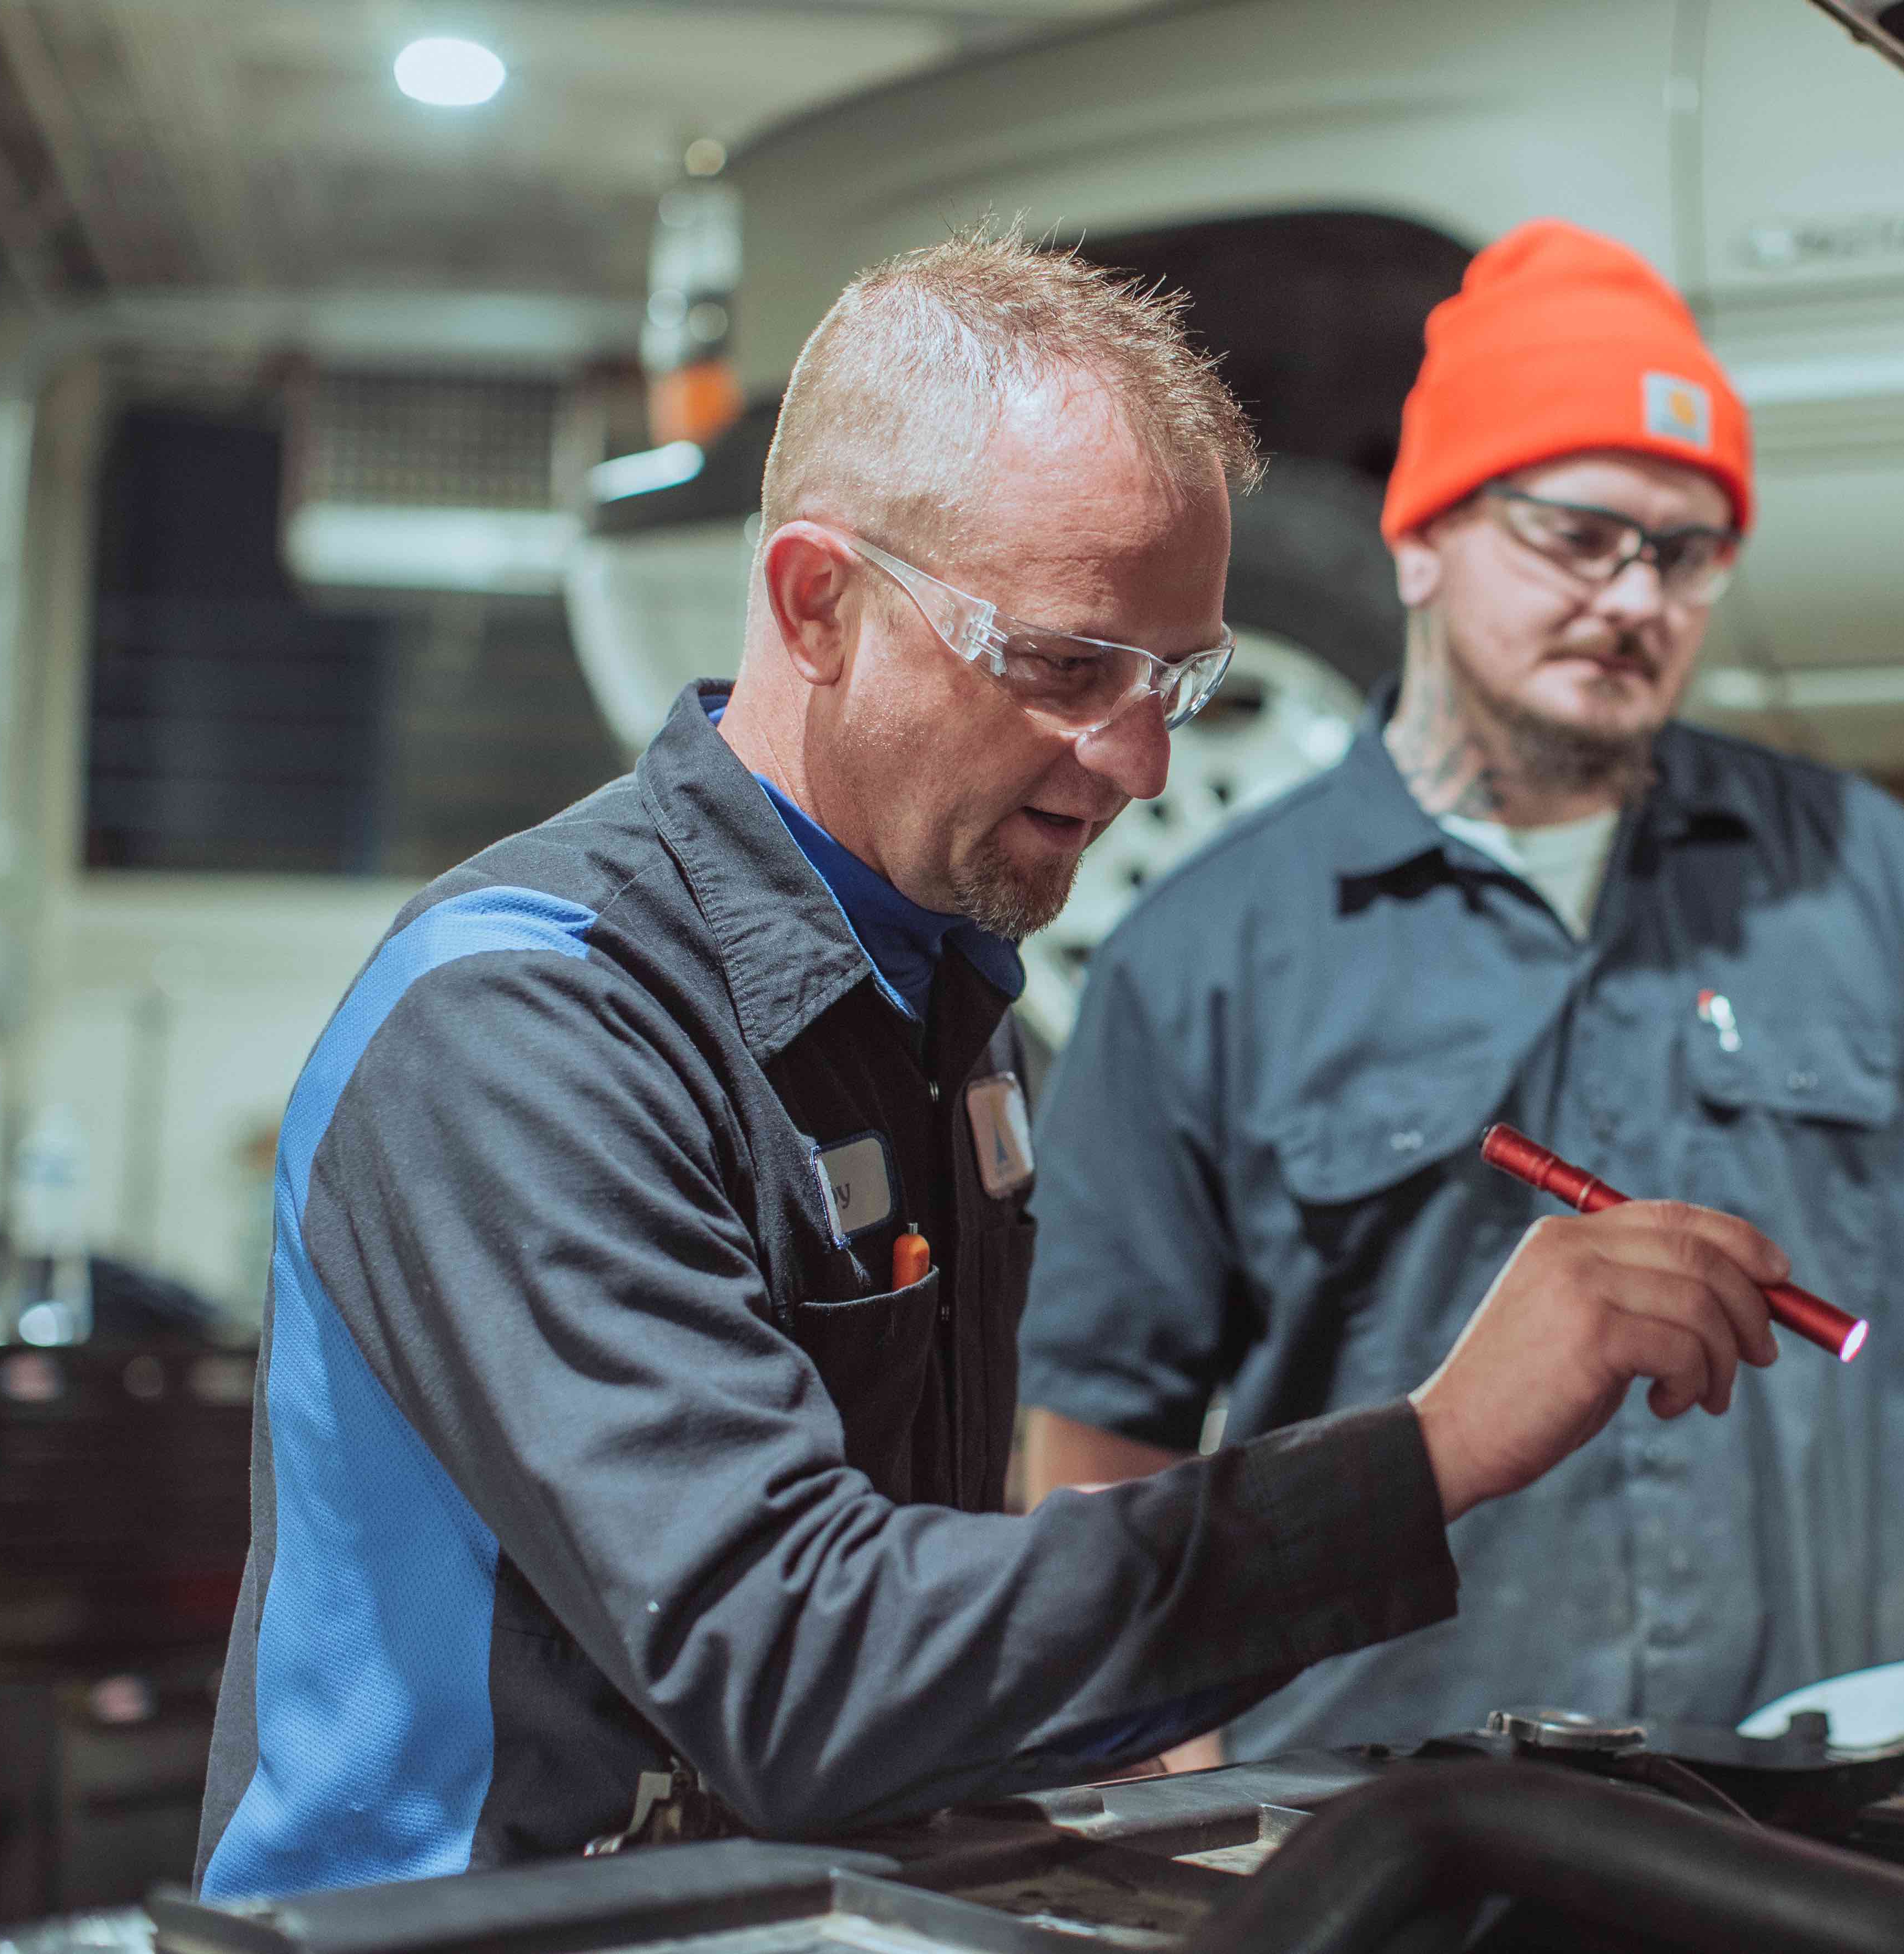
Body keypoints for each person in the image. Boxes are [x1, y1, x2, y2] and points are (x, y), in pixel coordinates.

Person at [194, 231, 1793, 1897]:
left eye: (1178, 677)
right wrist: (1432, 1451)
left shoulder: (947, 1012)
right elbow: (802, 1673)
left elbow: (930, 1647)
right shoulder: (524, 1030)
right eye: (1063, 666)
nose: (1144, 761)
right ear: (818, 601)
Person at [1021, 220, 1904, 1769]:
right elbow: (1101, 1450)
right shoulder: (1208, 954)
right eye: (1577, 533)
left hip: (1826, 1840)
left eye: (1685, 554)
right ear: (1419, 537)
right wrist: (1185, 1842)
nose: (1634, 598)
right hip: (1387, 1862)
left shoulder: (1858, 878)